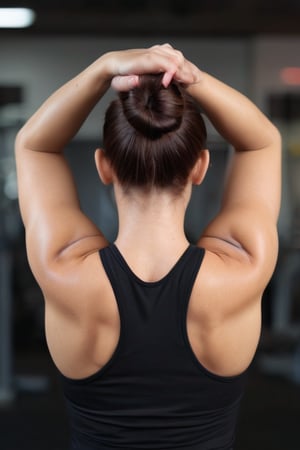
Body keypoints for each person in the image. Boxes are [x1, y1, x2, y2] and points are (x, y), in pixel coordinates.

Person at [15, 44, 281, 450]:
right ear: (200, 167)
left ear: (104, 166)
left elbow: (34, 145)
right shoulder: (241, 266)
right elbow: (262, 141)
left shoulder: (63, 267)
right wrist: (194, 77)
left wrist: (104, 67)